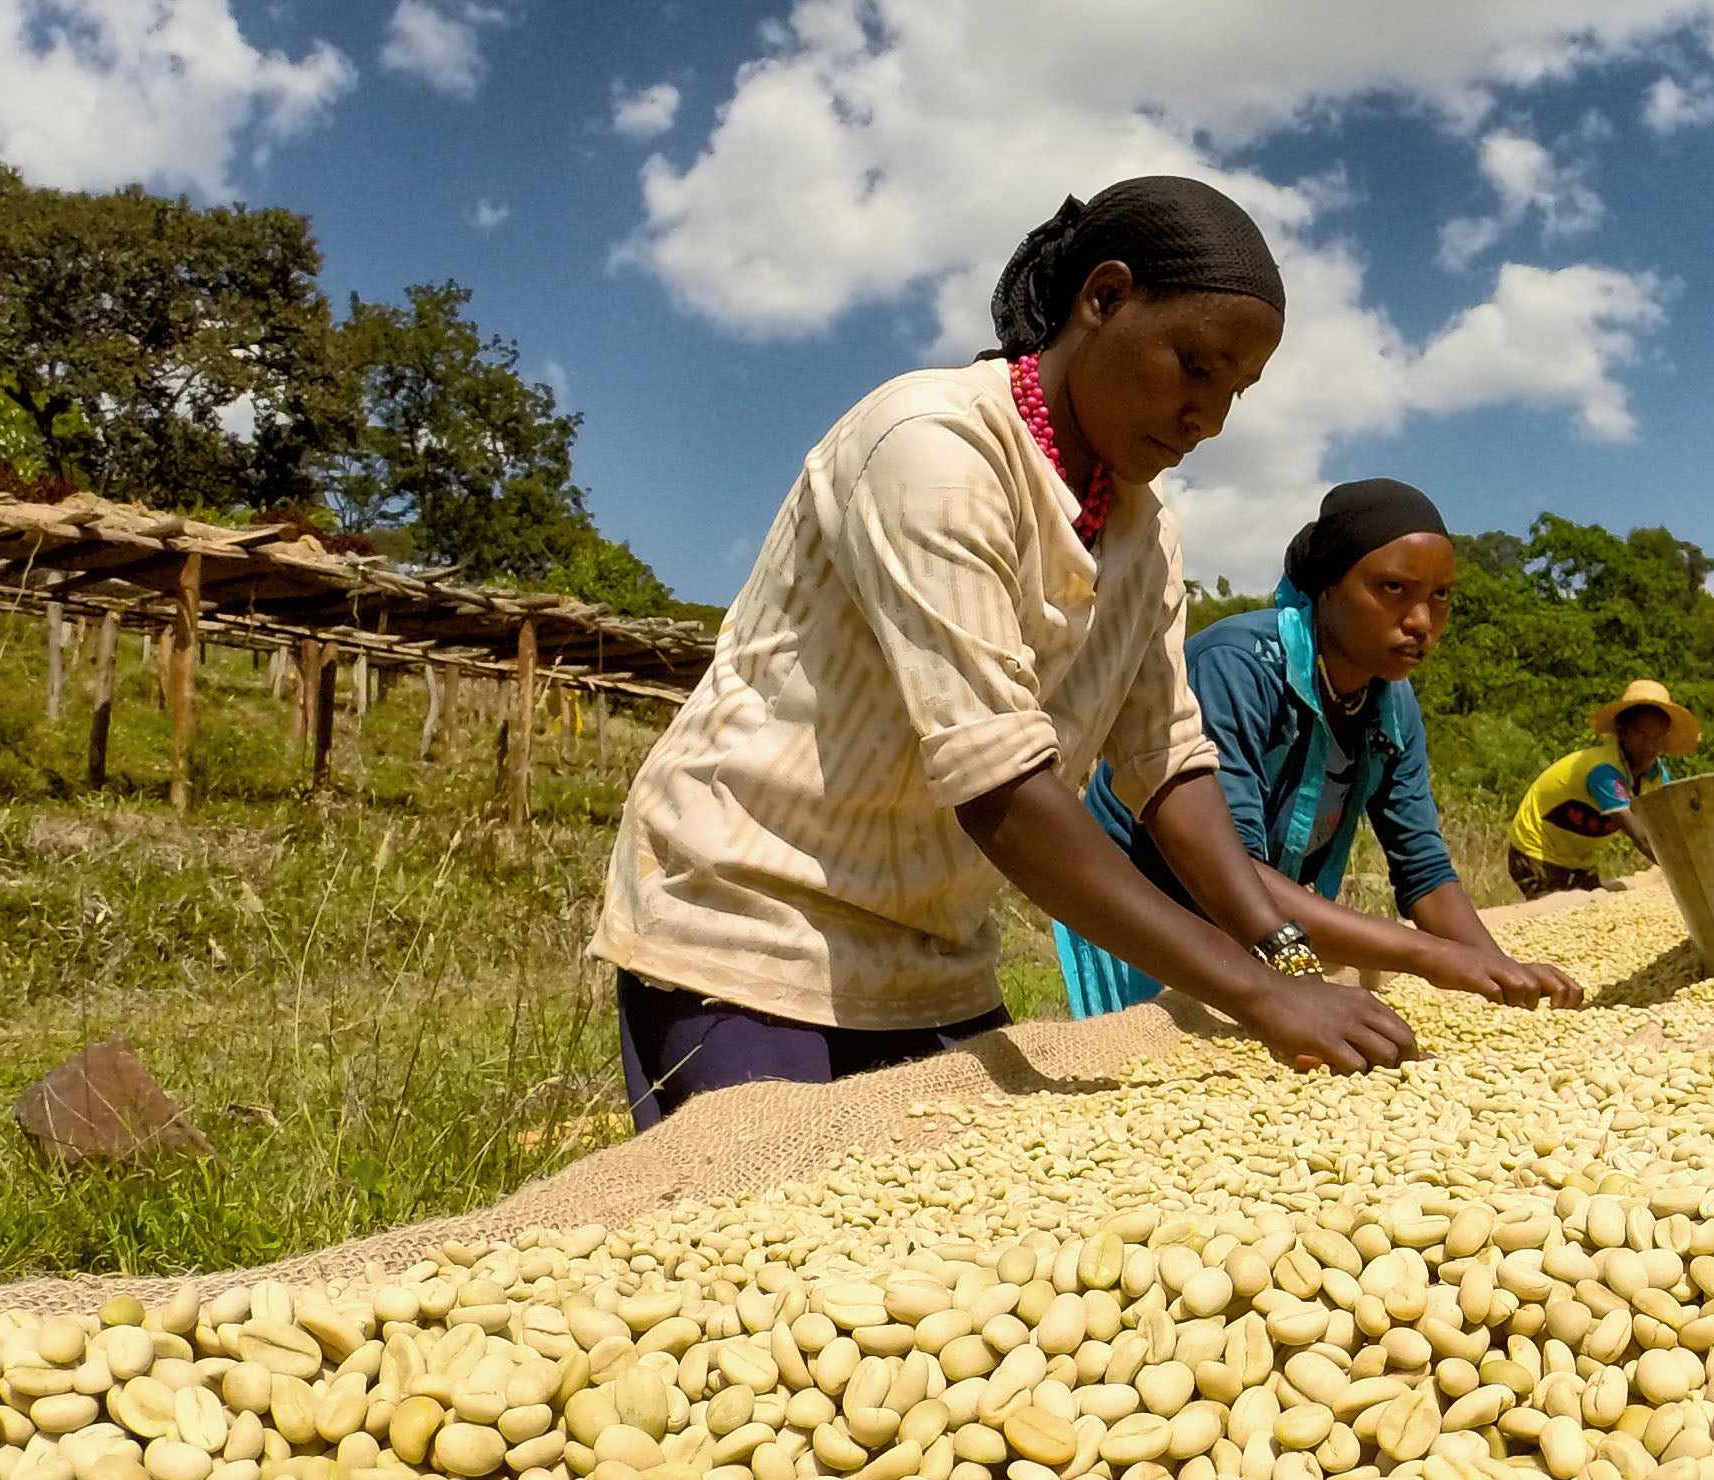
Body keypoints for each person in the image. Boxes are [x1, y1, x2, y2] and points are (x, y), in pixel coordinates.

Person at [597, 177, 1418, 1126]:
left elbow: (1167, 765)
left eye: (1235, 392)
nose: (1211, 418)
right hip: (751, 930)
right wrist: (1259, 996)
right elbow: (1000, 788)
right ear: (1103, 297)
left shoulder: (1142, 531)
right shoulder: (931, 447)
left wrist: (1284, 957)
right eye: (1194, 366)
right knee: (770, 1198)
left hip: (933, 954)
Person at [1052, 478, 1581, 1016]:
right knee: (1159, 1042)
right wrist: (1430, 955)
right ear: (1329, 585)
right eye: (1393, 588)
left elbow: (1424, 873)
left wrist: (1500, 972)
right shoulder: (1239, 667)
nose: (1421, 621)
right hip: (1146, 903)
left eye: (1440, 596)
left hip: (1257, 918)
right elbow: (1232, 870)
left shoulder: (1392, 703)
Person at [1507, 686, 1698, 898]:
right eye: (1642, 735)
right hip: (1536, 850)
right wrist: (1686, 872)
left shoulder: (1657, 776)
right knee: (1556, 911)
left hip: (1578, 859)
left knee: (1593, 908)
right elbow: (1643, 838)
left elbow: (1670, 825)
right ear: (1622, 731)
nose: (1650, 746)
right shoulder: (1604, 772)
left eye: (1658, 736)